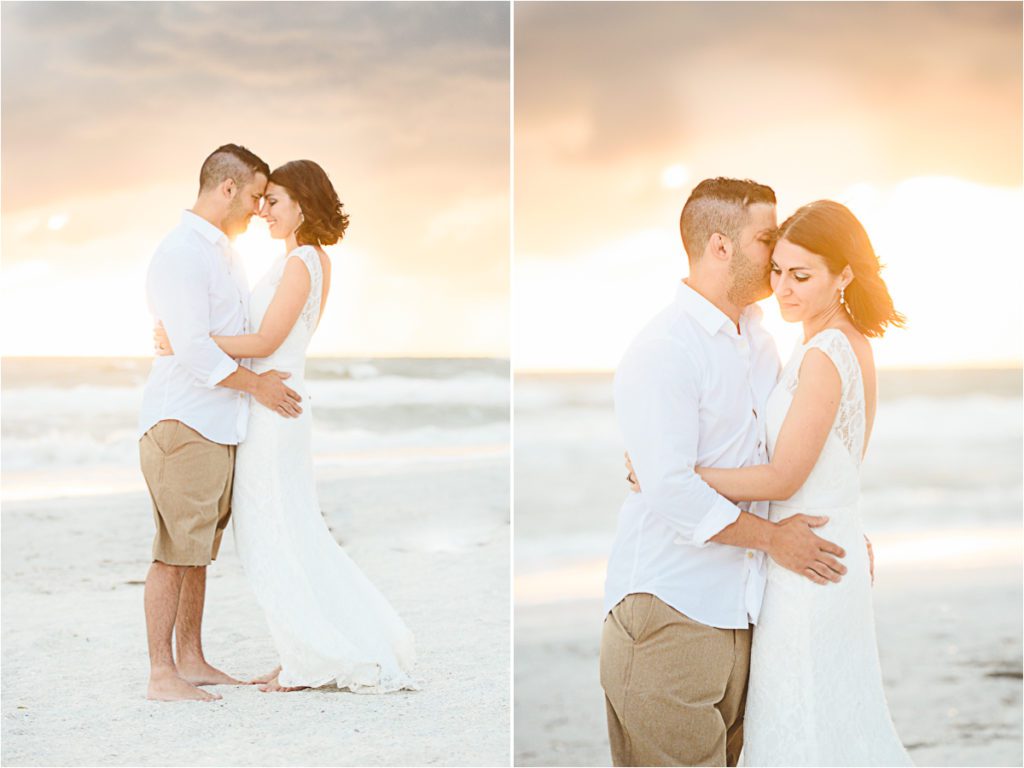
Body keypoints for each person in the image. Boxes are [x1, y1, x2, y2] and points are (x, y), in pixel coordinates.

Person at [601, 178, 852, 765]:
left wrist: (840, 520)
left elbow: (782, 458)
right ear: (720, 246)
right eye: (767, 238)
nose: (780, 248)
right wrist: (775, 541)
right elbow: (669, 488)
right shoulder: (665, 348)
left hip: (742, 615)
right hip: (671, 611)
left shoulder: (760, 341)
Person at [156, 159, 416, 693]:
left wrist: (190, 339)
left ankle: (307, 658)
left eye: (273, 201)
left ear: (302, 204)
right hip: (278, 406)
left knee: (275, 534)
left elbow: (267, 341)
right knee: (288, 532)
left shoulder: (301, 263)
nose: (263, 210)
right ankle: (305, 650)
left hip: (274, 414)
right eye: (263, 199)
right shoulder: (310, 261)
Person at [688, 200, 910, 765]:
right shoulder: (829, 343)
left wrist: (680, 475)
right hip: (820, 552)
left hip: (810, 563)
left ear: (845, 275)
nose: (784, 288)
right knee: (822, 723)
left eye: (802, 275)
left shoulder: (828, 353)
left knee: (807, 726)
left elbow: (785, 477)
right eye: (779, 271)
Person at [139, 143, 302, 702]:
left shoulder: (225, 253)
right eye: (256, 195)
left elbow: (223, 335)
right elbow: (192, 349)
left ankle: (193, 659)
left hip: (216, 424)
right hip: (183, 423)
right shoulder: (184, 251)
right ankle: (163, 674)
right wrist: (259, 387)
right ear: (227, 188)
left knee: (197, 552)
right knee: (173, 552)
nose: (260, 208)